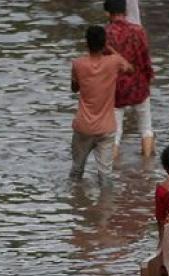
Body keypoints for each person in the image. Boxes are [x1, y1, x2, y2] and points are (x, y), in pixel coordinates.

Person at [70, 26, 133, 183]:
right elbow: (130, 69)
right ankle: (106, 206)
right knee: (105, 176)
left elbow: (74, 88)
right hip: (106, 128)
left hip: (83, 127)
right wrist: (110, 49)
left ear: (87, 43)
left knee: (77, 170)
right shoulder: (114, 62)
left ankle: (75, 202)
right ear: (104, 43)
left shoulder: (78, 64)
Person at [106, 0, 156, 158]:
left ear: (107, 13)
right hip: (138, 85)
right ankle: (147, 167)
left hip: (116, 89)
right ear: (126, 12)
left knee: (115, 134)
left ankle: (112, 170)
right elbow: (145, 59)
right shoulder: (138, 31)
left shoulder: (106, 34)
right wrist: (148, 78)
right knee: (146, 129)